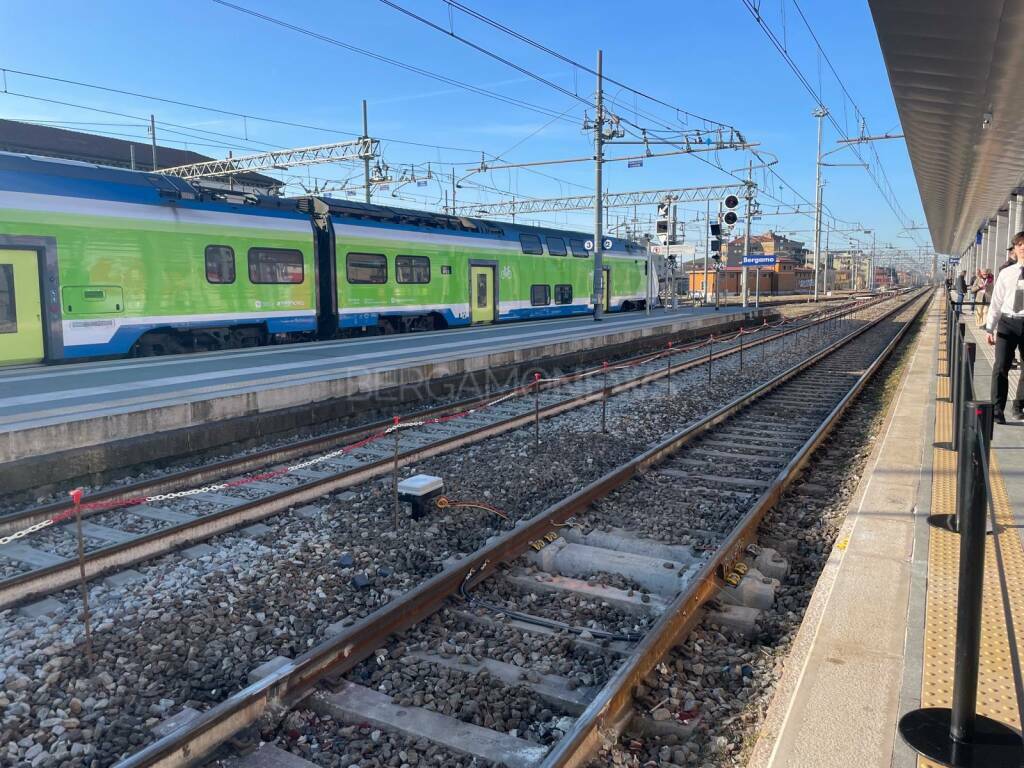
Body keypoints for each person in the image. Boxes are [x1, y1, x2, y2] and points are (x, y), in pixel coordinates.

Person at [986, 244, 1024, 423]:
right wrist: (989, 327)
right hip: (1007, 322)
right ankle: (997, 409)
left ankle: (1018, 407)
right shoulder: (1006, 273)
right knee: (1001, 366)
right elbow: (996, 301)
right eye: (1020, 245)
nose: (1023, 247)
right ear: (1014, 250)